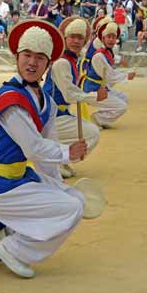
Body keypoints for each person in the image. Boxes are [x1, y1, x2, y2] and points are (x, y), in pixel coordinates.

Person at [0, 19, 87, 278]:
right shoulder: (11, 100)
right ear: (17, 58)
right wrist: (67, 153)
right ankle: (16, 248)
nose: (32, 63)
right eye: (27, 55)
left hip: (18, 179)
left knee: (77, 200)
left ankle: (15, 234)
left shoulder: (47, 103)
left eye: (40, 58)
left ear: (47, 64)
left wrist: (56, 185)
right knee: (71, 209)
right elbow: (35, 148)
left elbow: (46, 154)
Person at [43, 17, 102, 178]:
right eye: (72, 37)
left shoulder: (72, 60)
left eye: (80, 37)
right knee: (92, 133)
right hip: (49, 117)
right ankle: (54, 160)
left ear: (84, 41)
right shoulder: (62, 62)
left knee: (86, 131)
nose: (76, 41)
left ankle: (59, 159)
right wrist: (95, 96)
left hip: (60, 114)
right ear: (65, 38)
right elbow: (69, 95)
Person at [80, 20, 135, 128]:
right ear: (103, 38)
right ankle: (96, 119)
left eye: (113, 37)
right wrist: (126, 76)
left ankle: (103, 114)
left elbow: (110, 68)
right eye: (108, 37)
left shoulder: (107, 51)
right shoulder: (99, 55)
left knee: (124, 98)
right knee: (121, 106)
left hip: (100, 86)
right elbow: (110, 77)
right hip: (92, 89)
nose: (111, 39)